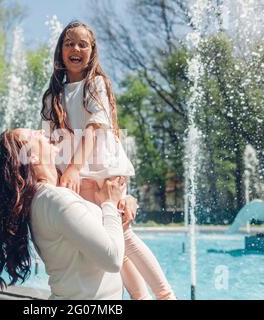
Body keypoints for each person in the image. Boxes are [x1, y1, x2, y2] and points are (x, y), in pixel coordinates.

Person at [40, 21, 176, 300]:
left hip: (103, 171)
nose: (75, 48)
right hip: (74, 176)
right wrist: (57, 175)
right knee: (111, 241)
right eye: (69, 43)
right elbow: (49, 143)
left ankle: (165, 295)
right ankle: (141, 298)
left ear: (92, 51)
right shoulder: (52, 95)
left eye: (82, 44)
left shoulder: (96, 84)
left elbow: (95, 128)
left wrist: (75, 168)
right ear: (60, 50)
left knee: (123, 235)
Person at [0, 128, 137, 299]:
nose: (40, 131)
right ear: (31, 156)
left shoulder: (46, 199)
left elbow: (96, 232)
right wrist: (110, 204)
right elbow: (112, 259)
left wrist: (119, 202)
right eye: (33, 134)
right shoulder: (54, 199)